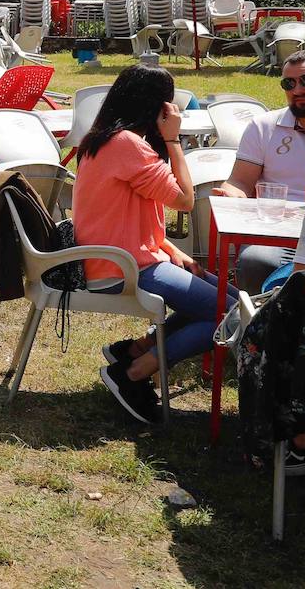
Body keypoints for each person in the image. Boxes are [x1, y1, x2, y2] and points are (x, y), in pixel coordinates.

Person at [71, 65, 234, 424]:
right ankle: (132, 373)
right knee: (229, 315)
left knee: (232, 298)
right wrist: (174, 140)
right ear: (160, 107)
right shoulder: (127, 144)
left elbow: (128, 219)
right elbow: (185, 200)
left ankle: (133, 351)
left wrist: (173, 251)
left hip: (127, 257)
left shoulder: (104, 139)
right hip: (123, 267)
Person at [214, 50, 305, 292]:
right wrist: (230, 194)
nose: (298, 89)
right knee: (255, 261)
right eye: (289, 83)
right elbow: (240, 181)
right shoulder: (264, 127)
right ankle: (259, 324)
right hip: (276, 232)